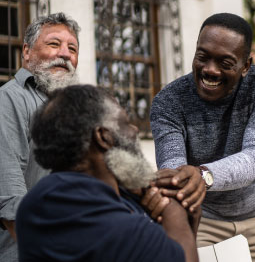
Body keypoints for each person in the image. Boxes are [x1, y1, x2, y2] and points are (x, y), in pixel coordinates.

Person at [150, 12, 255, 262]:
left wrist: (203, 175)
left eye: (225, 62)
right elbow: (174, 173)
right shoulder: (168, 101)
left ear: (246, 65)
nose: (210, 70)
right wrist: (182, 180)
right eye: (203, 57)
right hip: (202, 220)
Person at [16, 85, 200, 262]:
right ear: (104, 137)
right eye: (126, 123)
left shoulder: (44, 200)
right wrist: (173, 208)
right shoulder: (80, 211)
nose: (135, 130)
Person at [0, 12, 80, 261]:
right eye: (54, 44)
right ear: (27, 51)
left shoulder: (73, 106)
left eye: (72, 49)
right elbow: (10, 198)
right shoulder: (9, 98)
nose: (65, 54)